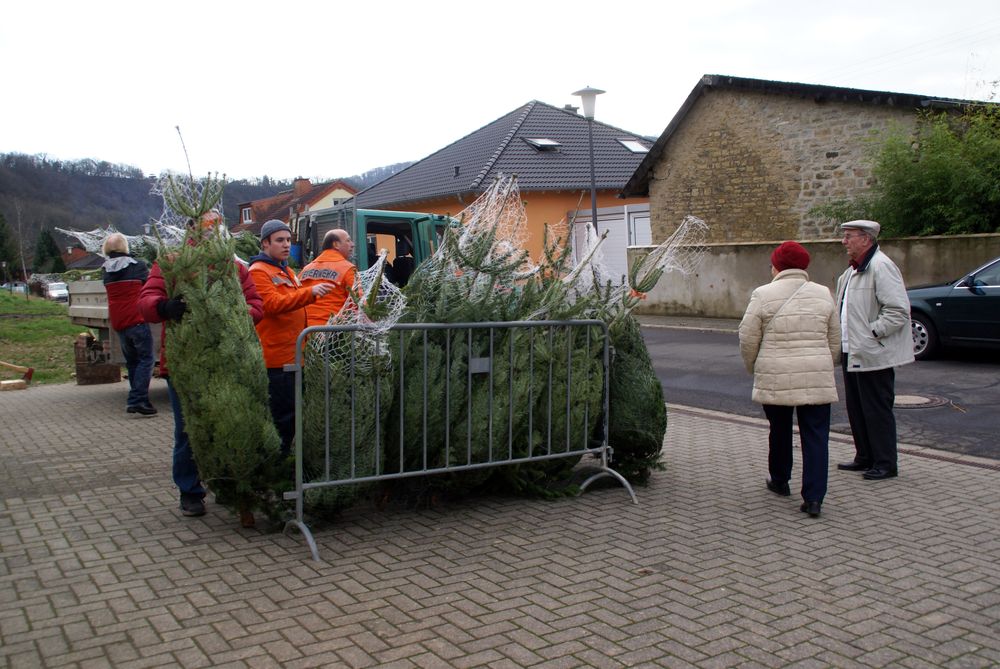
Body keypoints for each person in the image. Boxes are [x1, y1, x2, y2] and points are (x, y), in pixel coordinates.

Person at [138, 211, 264, 517]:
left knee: (229, 426)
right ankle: (190, 491)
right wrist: (165, 307)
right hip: (185, 363)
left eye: (217, 227)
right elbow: (146, 301)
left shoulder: (233, 266)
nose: (214, 232)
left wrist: (232, 313)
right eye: (208, 226)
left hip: (228, 360)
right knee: (187, 430)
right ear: (192, 228)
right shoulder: (172, 261)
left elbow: (256, 306)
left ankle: (228, 485)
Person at [739, 241, 840, 518]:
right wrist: (824, 364)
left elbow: (748, 338)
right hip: (816, 373)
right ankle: (814, 498)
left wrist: (754, 366)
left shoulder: (762, 294)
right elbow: (835, 339)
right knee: (816, 436)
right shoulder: (823, 293)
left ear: (777, 266)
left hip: (775, 373)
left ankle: (780, 480)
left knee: (779, 429)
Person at [835, 220, 914, 481]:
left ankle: (885, 462)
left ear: (866, 239)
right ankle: (865, 456)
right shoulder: (851, 272)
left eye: (849, 236)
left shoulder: (881, 267)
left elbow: (898, 311)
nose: (844, 241)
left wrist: (872, 333)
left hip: (873, 353)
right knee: (857, 408)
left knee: (876, 409)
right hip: (853, 351)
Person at [248, 219, 332, 455]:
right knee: (282, 418)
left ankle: (288, 466)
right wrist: (310, 293)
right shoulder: (258, 272)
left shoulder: (286, 270)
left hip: (295, 355)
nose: (286, 245)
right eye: (279, 240)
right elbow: (271, 305)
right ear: (265, 243)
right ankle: (278, 467)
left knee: (293, 415)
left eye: (288, 240)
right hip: (277, 359)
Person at [101, 233, 156, 416]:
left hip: (119, 322)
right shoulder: (138, 266)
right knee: (146, 360)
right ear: (125, 246)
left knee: (132, 362)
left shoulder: (105, 270)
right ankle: (137, 400)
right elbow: (150, 286)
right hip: (137, 319)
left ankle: (140, 400)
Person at [299, 229, 358, 327]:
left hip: (304, 331)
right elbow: (358, 301)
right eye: (348, 240)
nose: (352, 244)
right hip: (333, 332)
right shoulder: (347, 268)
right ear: (336, 245)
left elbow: (297, 298)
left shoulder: (305, 270)